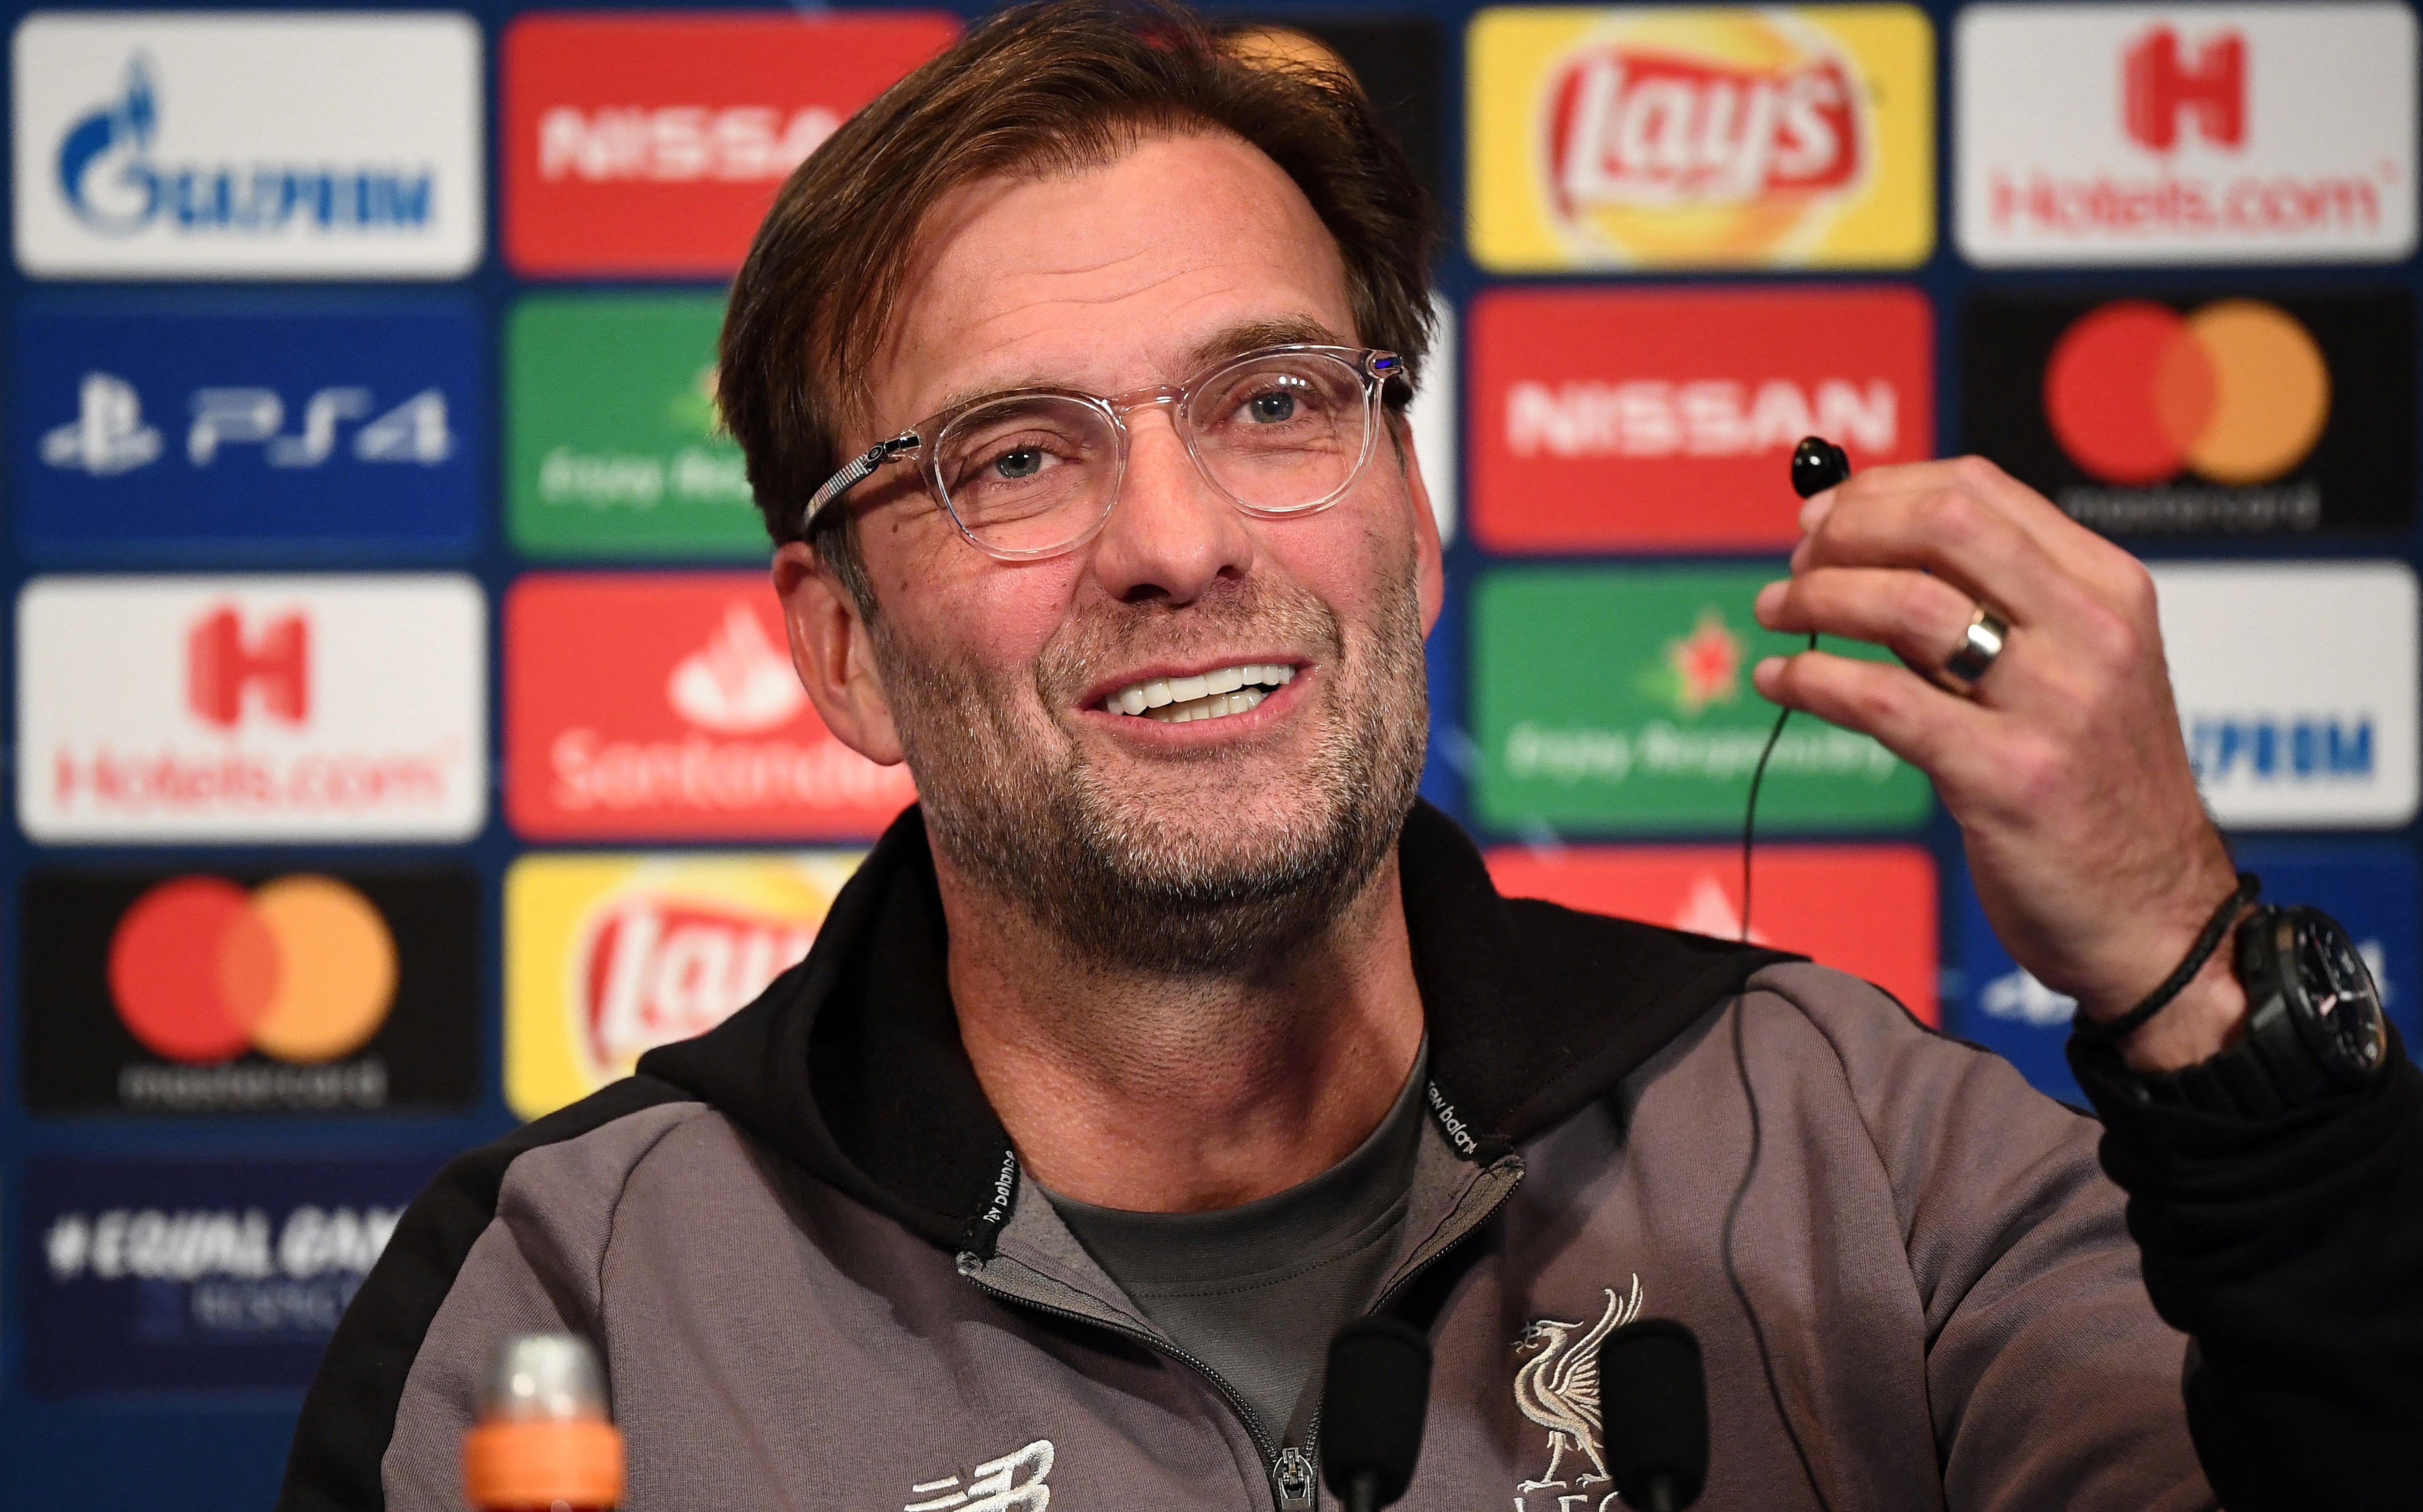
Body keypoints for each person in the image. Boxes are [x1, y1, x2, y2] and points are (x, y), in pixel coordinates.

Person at [279, 5, 2420, 1509]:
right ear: (840, 646)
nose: (1183, 536)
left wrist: (2189, 974)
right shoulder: (570, 1305)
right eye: (1018, 456)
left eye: (1278, 403)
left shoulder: (1860, 1151)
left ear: (1409, 505)